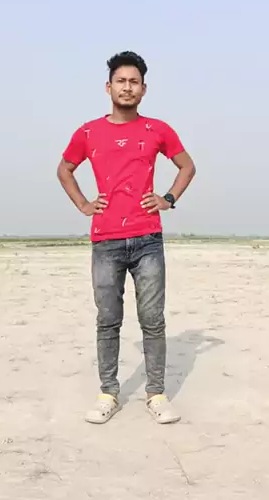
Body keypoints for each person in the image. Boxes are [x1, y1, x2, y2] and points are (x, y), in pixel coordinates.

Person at [57, 51, 196, 424]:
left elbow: (187, 166)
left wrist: (167, 198)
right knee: (108, 319)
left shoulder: (157, 130)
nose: (127, 87)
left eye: (134, 82)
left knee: (152, 319)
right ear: (108, 87)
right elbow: (65, 169)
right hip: (106, 240)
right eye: (121, 81)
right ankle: (108, 393)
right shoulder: (88, 132)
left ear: (144, 89)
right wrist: (84, 204)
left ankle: (156, 394)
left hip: (147, 237)